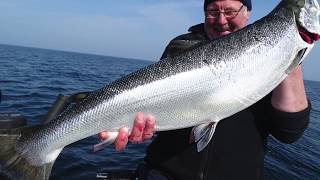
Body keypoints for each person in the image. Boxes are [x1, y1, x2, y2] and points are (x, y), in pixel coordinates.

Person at [99, 0, 311, 179]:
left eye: (230, 11)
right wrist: (143, 128)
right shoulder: (180, 47)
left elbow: (289, 132)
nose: (221, 20)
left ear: (248, 13)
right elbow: (156, 108)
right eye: (212, 12)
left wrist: (287, 49)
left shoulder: (266, 62)